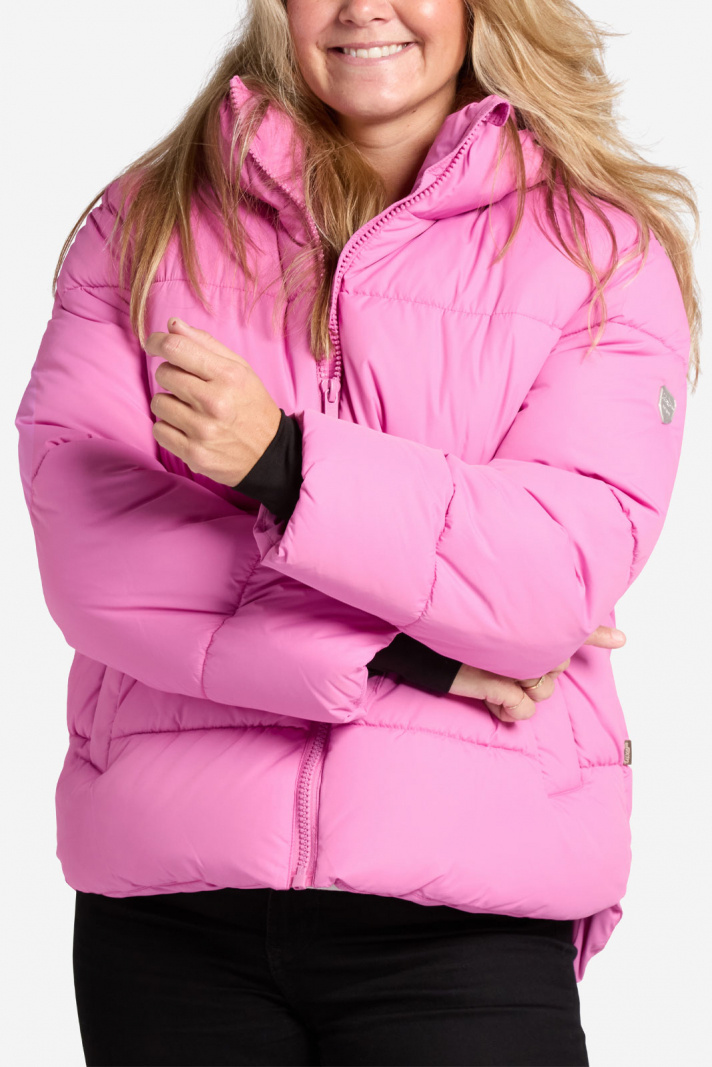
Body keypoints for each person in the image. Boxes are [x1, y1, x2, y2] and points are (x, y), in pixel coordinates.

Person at [15, 1, 700, 1065]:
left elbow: (547, 579)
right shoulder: (145, 220)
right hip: (171, 919)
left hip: (463, 913)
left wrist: (282, 463)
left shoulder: (597, 250)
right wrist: (411, 652)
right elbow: (94, 555)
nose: (361, 8)